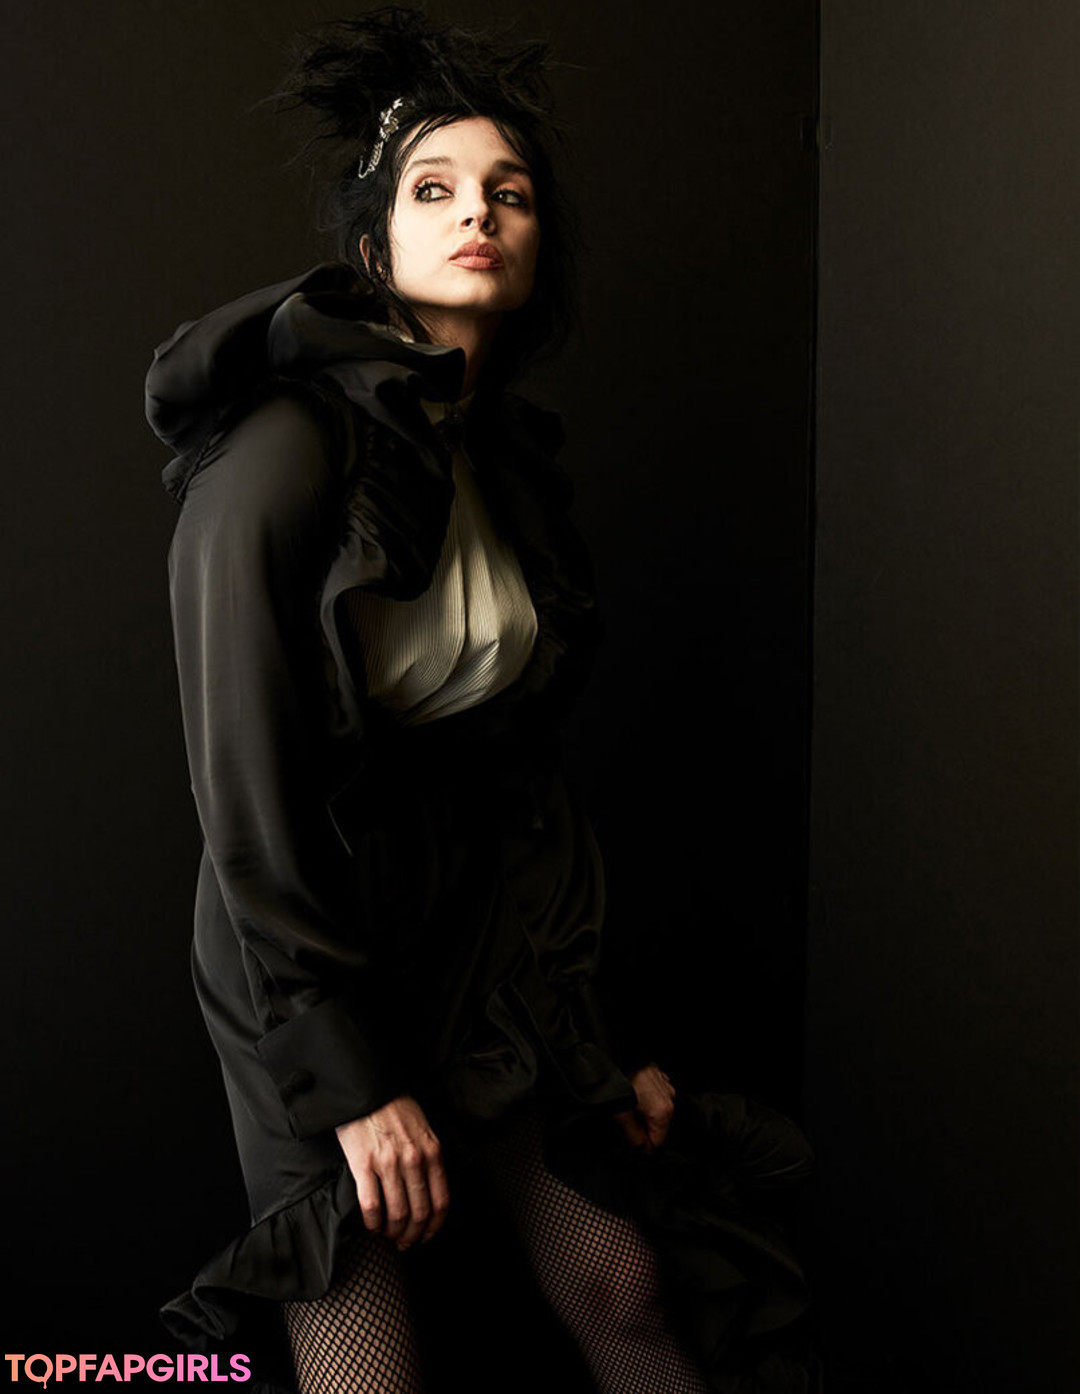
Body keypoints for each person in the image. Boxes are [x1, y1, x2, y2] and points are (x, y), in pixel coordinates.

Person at [146, 9, 816, 1393]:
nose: (478, 215)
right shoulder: (280, 447)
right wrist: (346, 1078)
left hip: (474, 937)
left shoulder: (500, 459)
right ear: (372, 245)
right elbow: (246, 793)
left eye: (508, 194)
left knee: (622, 1283)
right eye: (434, 189)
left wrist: (589, 1047)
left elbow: (517, 789)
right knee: (366, 1345)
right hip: (303, 942)